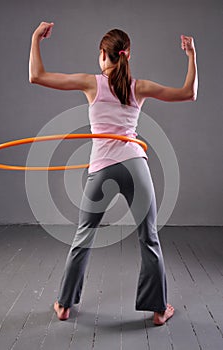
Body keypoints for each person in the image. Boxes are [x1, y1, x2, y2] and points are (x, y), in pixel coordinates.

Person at [29, 22, 198, 326]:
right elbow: (189, 94)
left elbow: (36, 76)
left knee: (83, 237)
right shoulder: (139, 87)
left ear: (102, 55)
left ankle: (65, 306)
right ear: (127, 54)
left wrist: (35, 39)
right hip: (135, 164)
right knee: (150, 238)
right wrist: (192, 55)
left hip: (101, 168)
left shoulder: (90, 83)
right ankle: (159, 310)